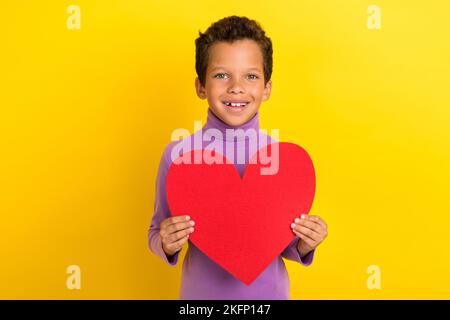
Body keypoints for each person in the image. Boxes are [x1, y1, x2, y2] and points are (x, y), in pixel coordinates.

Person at [148, 16, 328, 299]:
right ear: (201, 87)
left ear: (266, 88)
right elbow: (156, 231)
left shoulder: (282, 161)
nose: (236, 87)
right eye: (221, 75)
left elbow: (282, 242)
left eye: (251, 76)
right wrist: (167, 243)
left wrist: (306, 243)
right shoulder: (179, 156)